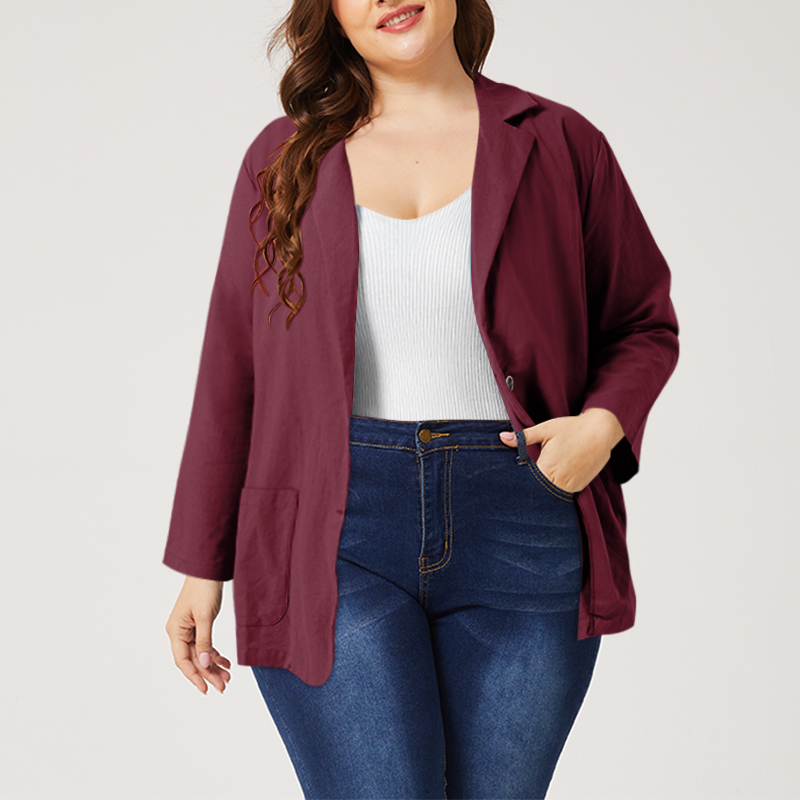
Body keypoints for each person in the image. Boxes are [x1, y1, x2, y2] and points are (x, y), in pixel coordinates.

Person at [163, 1, 680, 798]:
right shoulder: (284, 157)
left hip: (522, 517)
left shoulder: (559, 141)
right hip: (332, 526)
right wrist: (203, 564)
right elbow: (233, 366)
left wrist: (600, 428)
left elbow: (643, 321)